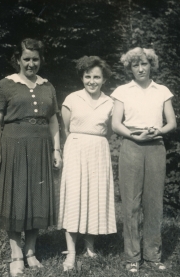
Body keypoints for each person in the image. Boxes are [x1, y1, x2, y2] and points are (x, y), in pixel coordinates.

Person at [0, 38, 62, 277]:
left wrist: (56, 150)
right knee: (15, 198)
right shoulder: (5, 84)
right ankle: (16, 254)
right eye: (26, 59)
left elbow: (53, 121)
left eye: (35, 59)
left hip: (41, 146)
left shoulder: (48, 86)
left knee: (36, 198)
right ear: (18, 59)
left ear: (41, 60)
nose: (31, 64)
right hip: (14, 146)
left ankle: (31, 251)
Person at [111, 47, 176, 274]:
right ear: (130, 67)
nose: (140, 68)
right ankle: (132, 257)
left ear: (151, 65)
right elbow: (116, 124)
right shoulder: (122, 91)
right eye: (135, 65)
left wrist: (158, 130)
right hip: (131, 145)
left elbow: (172, 123)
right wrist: (133, 135)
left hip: (156, 146)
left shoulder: (162, 91)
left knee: (154, 202)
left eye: (144, 64)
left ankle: (152, 255)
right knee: (131, 203)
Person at [57, 56, 117, 271]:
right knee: (74, 196)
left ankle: (90, 247)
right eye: (88, 76)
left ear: (104, 80)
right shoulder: (72, 99)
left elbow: (109, 130)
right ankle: (71, 252)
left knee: (94, 196)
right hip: (76, 148)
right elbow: (65, 128)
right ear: (82, 77)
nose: (92, 81)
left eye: (97, 77)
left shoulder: (110, 102)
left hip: (98, 150)